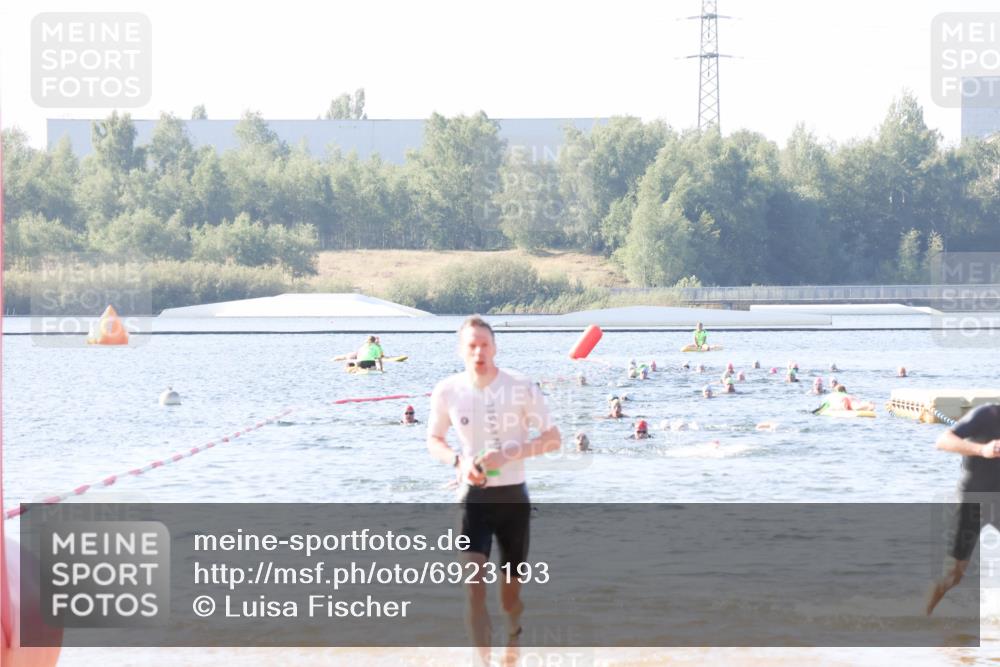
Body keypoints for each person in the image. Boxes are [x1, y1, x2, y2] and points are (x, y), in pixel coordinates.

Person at [427, 315, 561, 656]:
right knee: (473, 587)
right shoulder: (448, 390)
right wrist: (459, 462)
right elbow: (434, 440)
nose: (478, 352)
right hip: (473, 498)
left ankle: (513, 644)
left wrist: (511, 453)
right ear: (461, 350)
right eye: (471, 346)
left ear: (495, 347)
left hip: (513, 500)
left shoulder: (520, 386)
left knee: (509, 598)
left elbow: (553, 439)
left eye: (484, 345)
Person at [926, 404, 1000, 615]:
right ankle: (921, 618)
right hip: (973, 501)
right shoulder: (987, 414)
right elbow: (942, 441)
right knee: (953, 574)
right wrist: (982, 450)